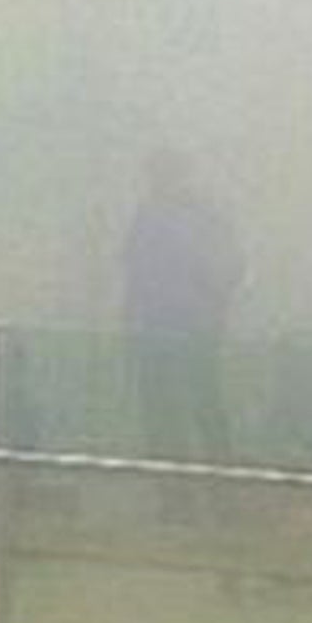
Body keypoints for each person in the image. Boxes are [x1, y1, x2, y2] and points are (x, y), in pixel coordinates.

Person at [122, 148, 244, 515]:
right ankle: (175, 498)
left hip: (190, 331)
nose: (158, 181)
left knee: (203, 409)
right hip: (155, 330)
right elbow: (134, 273)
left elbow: (231, 266)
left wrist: (212, 306)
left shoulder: (203, 215)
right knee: (164, 415)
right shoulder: (147, 216)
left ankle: (220, 495)